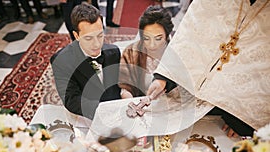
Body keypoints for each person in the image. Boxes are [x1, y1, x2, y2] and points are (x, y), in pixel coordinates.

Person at [146, 0, 270, 137]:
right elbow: (192, 28)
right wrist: (164, 76)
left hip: (232, 112)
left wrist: (244, 120)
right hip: (185, 89)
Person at [51, 2, 121, 119]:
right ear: (76, 36)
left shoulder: (114, 52)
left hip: (117, 111)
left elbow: (117, 85)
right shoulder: (61, 61)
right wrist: (103, 111)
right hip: (87, 116)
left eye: (99, 35)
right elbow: (71, 100)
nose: (96, 44)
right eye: (88, 38)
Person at [118, 5, 175, 99]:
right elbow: (125, 86)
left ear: (167, 35)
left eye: (158, 38)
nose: (152, 45)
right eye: (147, 38)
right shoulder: (131, 53)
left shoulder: (175, 52)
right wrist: (129, 98)